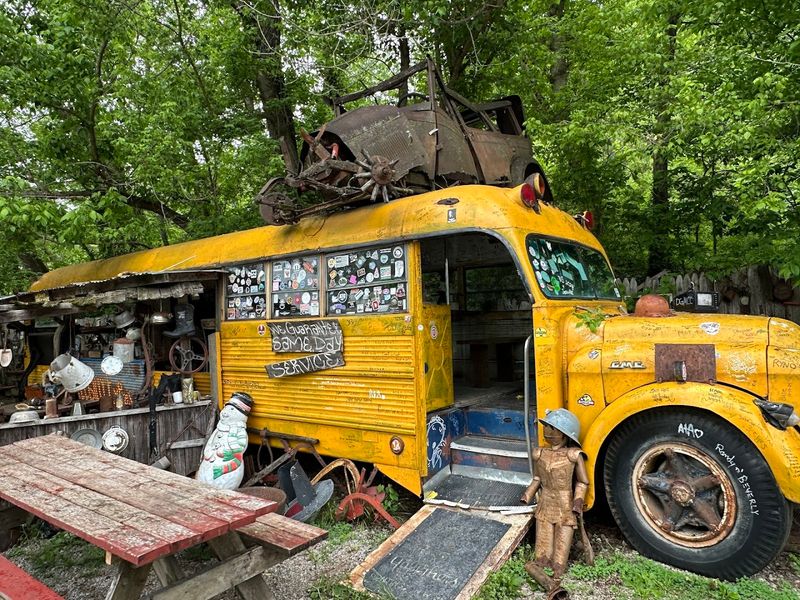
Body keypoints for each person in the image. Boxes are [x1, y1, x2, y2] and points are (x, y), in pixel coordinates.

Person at [520, 408, 591, 600]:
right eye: (547, 427)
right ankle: (542, 571)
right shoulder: (539, 453)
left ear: (566, 434)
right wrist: (527, 494)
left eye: (553, 428)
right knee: (542, 553)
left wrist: (578, 501)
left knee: (559, 557)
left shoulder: (574, 455)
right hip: (545, 502)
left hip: (566, 504)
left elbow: (583, 482)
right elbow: (537, 478)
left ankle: (556, 577)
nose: (548, 431)